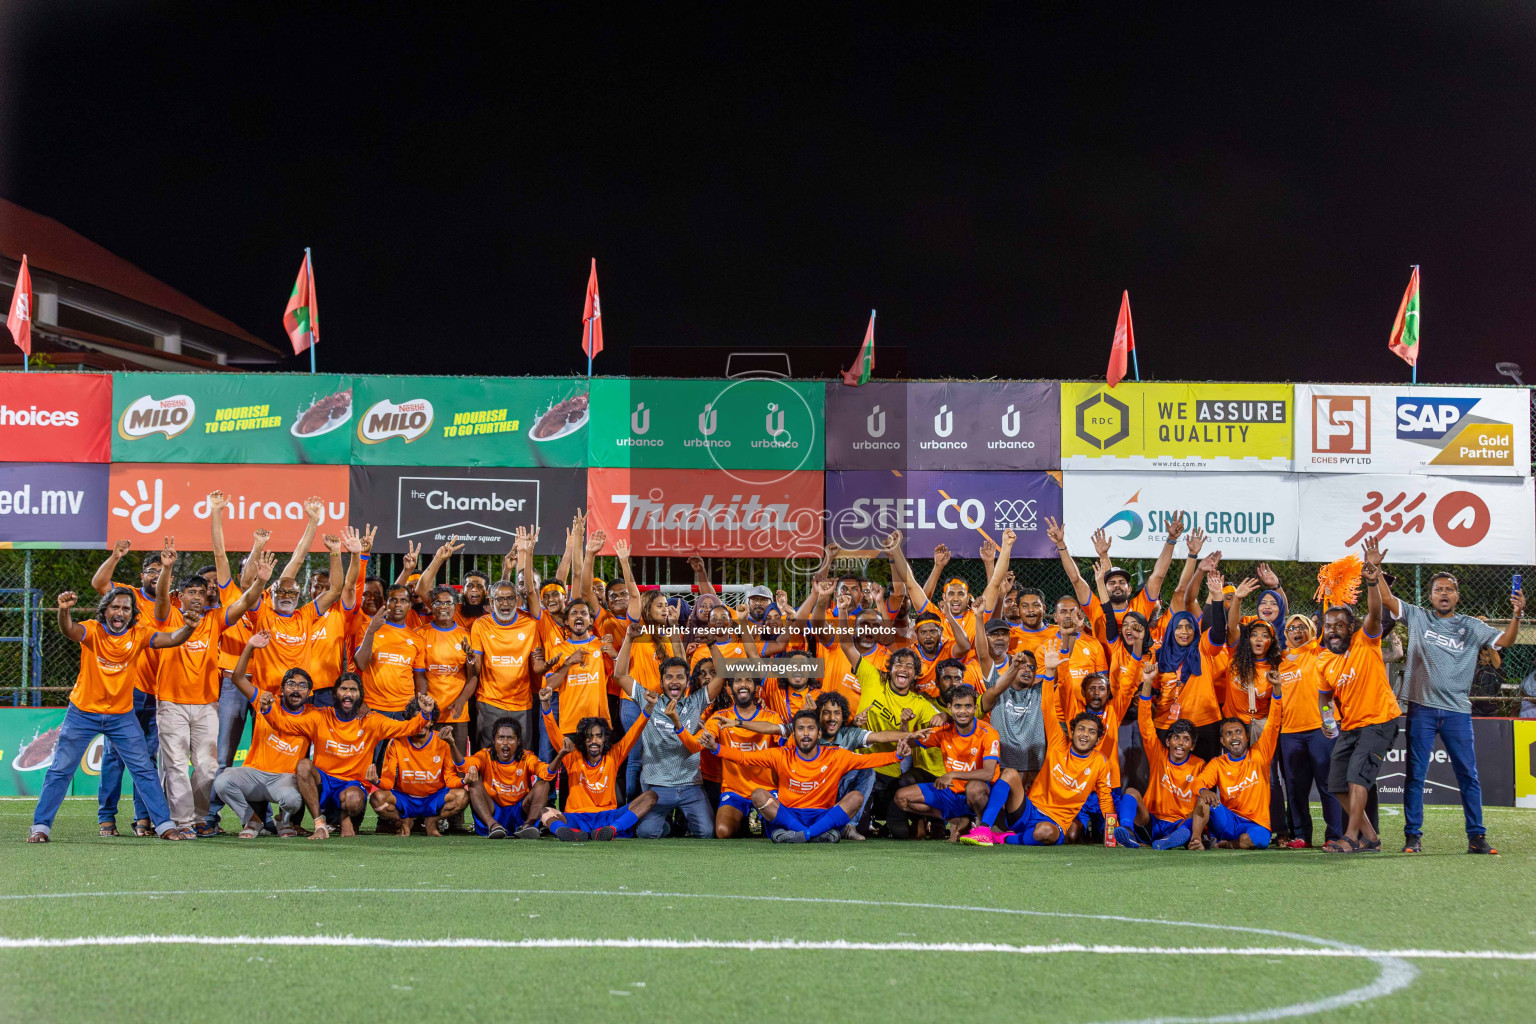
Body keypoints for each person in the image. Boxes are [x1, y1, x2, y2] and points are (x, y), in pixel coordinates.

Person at [1375, 550, 1523, 855]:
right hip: (1422, 708)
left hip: (1457, 711)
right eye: (1438, 589)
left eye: (1449, 589)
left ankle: (1477, 837)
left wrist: (1517, 615)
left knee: (1468, 775)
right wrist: (1376, 570)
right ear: (1430, 596)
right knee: (1415, 774)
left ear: (1457, 596)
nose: (1444, 593)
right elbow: (1388, 601)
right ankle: (1412, 837)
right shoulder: (1417, 615)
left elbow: (1505, 641)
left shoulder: (1472, 626)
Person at [28, 585, 197, 842]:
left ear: (132, 614)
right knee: (61, 770)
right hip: (83, 713)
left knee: (143, 769)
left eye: (126, 609)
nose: (120, 612)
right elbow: (69, 630)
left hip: (121, 715)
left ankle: (164, 826)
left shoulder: (139, 634)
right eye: (115, 607)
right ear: (105, 610)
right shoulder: (92, 630)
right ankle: (40, 828)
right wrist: (64, 611)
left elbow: (172, 639)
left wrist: (189, 628)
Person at [152, 541, 270, 833]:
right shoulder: (168, 617)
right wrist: (167, 567)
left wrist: (261, 582)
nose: (197, 597)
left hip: (206, 704)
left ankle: (199, 817)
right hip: (171, 702)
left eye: (201, 593)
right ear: (179, 596)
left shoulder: (215, 619)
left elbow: (243, 603)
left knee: (206, 767)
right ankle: (181, 822)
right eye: (191, 592)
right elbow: (160, 596)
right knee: (176, 766)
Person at [692, 710, 912, 843]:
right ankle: (814, 834)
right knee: (759, 795)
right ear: (793, 733)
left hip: (820, 814)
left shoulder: (835, 755)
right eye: (800, 729)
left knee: (855, 797)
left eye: (810, 729)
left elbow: (869, 761)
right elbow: (744, 757)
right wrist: (715, 747)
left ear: (818, 733)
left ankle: (800, 835)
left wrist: (896, 755)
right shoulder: (781, 755)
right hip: (790, 815)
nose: (806, 733)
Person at [962, 657, 1116, 848]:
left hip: (1054, 822)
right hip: (1029, 809)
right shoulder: (1059, 741)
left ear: (1098, 739)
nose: (1085, 735)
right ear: (1073, 731)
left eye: (1092, 732)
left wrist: (1111, 834)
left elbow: (1105, 798)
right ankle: (984, 829)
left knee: (1045, 832)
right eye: (1082, 729)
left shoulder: (1099, 762)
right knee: (1009, 773)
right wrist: (1050, 673)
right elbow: (1047, 707)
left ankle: (1002, 838)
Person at [260, 674, 435, 839]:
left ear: (360, 695)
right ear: (335, 693)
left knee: (353, 798)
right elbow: (284, 724)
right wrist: (268, 710)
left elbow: (407, 728)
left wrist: (425, 714)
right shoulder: (320, 717)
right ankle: (320, 824)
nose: (348, 694)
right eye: (343, 689)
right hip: (324, 781)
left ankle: (345, 818)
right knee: (304, 766)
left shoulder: (371, 721)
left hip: (352, 785)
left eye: (353, 690)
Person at [1316, 540, 1399, 853]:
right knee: (1336, 784)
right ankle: (1371, 837)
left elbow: (1376, 613)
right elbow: (1325, 698)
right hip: (1350, 726)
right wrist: (1327, 721)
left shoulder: (1367, 641)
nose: (1334, 630)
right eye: (1329, 626)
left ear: (1352, 627)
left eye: (1340, 625)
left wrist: (1372, 579)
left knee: (1356, 779)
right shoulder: (1324, 660)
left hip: (1380, 721)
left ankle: (1351, 838)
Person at [614, 626, 723, 839]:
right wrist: (628, 637)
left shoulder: (695, 702)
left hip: (690, 786)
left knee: (708, 833)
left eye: (680, 677)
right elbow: (620, 674)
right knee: (646, 833)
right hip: (657, 786)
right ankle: (667, 826)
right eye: (669, 677)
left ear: (687, 681)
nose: (674, 681)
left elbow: (722, 676)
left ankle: (680, 822)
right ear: (662, 681)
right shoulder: (650, 699)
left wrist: (711, 644)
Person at [215, 631, 318, 838]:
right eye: (291, 684)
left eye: (302, 686)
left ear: (309, 693)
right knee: (222, 782)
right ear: (281, 689)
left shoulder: (315, 717)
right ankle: (251, 820)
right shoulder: (266, 701)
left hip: (283, 780)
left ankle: (282, 820)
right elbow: (237, 677)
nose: (296, 690)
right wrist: (250, 647)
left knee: (293, 800)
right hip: (254, 774)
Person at [539, 687, 658, 841]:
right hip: (577, 817)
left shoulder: (614, 754)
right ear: (583, 740)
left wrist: (649, 706)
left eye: (598, 736)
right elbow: (553, 732)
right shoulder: (572, 757)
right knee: (546, 811)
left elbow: (635, 731)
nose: (593, 741)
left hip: (608, 816)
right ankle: (567, 832)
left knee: (650, 796)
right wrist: (546, 704)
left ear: (605, 739)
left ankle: (611, 830)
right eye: (589, 737)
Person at [468, 527, 546, 754]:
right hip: (489, 702)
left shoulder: (529, 623)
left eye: (510, 598)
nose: (505, 603)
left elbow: (531, 591)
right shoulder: (480, 625)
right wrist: (471, 659)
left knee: (521, 756)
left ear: (517, 600)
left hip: (521, 703)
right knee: (487, 756)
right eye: (499, 599)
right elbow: (477, 668)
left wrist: (526, 552)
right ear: (491, 602)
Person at [1116, 660, 1205, 850]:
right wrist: (1147, 682)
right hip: (1152, 821)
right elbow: (1145, 722)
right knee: (1131, 792)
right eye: (1176, 738)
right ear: (1168, 741)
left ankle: (1171, 840)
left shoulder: (1199, 765)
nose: (1180, 743)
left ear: (1192, 745)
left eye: (1186, 739)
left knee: (1199, 807)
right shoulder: (1158, 753)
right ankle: (1127, 831)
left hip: (1180, 824)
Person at [1188, 678, 1284, 850]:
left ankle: (1228, 845)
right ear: (1222, 741)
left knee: (1260, 839)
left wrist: (1276, 689)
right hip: (1228, 821)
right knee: (1203, 800)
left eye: (1238, 732)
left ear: (1246, 737)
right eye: (1229, 734)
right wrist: (1204, 791)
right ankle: (1196, 841)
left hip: (1255, 824)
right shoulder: (1218, 763)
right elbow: (1197, 783)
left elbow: (1274, 722)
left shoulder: (1260, 753)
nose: (1234, 737)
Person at [894, 687, 1001, 840]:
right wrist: (904, 723)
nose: (963, 711)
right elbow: (908, 742)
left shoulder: (988, 733)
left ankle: (981, 827)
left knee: (974, 788)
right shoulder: (944, 730)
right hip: (951, 792)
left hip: (978, 795)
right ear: (950, 708)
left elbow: (988, 773)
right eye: (958, 706)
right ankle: (957, 821)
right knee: (901, 797)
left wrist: (953, 774)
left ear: (975, 708)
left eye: (968, 706)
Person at [1276, 614, 1343, 848]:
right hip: (1290, 732)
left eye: (1302, 626)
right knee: (1295, 787)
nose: (1297, 631)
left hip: (1321, 729)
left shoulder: (1320, 651)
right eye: (1291, 627)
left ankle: (1334, 835)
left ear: (1312, 630)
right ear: (1285, 633)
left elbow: (1329, 622)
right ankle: (1301, 835)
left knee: (1328, 784)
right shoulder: (1280, 660)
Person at [700, 672, 783, 838]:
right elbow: (705, 736)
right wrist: (701, 736)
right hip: (734, 791)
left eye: (748, 680)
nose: (743, 684)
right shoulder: (721, 717)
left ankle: (765, 822)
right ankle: (742, 824)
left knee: (779, 830)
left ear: (756, 687)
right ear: (729, 687)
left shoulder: (771, 716)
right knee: (723, 832)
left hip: (768, 790)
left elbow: (786, 747)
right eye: (737, 680)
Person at [459, 717, 552, 839]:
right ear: (494, 740)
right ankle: (493, 826)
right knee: (474, 784)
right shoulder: (485, 755)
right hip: (493, 811)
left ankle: (528, 826)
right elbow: (462, 765)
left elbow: (547, 772)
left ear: (518, 741)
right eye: (501, 738)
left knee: (543, 784)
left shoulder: (527, 757)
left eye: (510, 738)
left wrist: (561, 754)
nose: (505, 743)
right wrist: (451, 743)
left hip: (520, 811)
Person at [371, 721, 469, 836]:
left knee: (462, 796)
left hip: (434, 798)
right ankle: (404, 821)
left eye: (425, 720)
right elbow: (388, 781)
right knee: (376, 798)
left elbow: (450, 778)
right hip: (405, 798)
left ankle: (431, 821)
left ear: (432, 721)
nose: (421, 724)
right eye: (417, 720)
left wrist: (463, 781)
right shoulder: (396, 741)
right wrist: (376, 781)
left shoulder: (442, 740)